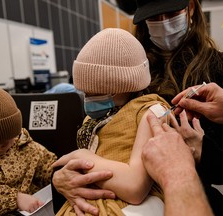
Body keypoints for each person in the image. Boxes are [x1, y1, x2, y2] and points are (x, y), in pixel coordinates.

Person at [53, 0, 223, 215]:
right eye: (153, 17)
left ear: (191, 7)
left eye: (171, 13)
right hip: (109, 189)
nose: (163, 23)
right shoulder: (122, 64)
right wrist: (62, 177)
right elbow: (96, 140)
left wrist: (202, 151)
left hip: (186, 197)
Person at [52, 28, 202, 216]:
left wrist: (84, 157)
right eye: (84, 92)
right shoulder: (97, 117)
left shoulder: (151, 111)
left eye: (94, 92)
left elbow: (135, 187)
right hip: (93, 199)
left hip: (131, 206)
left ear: (122, 85)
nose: (87, 98)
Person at [0, 88, 57, 215]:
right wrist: (15, 199)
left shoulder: (28, 148)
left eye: (3, 145)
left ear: (15, 134)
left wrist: (60, 176)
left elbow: (50, 168)